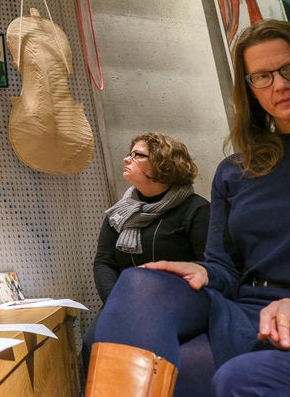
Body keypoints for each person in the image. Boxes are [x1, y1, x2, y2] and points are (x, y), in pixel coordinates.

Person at [85, 19, 290, 396]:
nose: (279, 84)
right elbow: (225, 268)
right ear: (250, 91)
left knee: (199, 376)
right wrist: (202, 269)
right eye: (262, 77)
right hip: (244, 309)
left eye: (289, 69)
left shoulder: (191, 207)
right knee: (141, 283)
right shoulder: (237, 170)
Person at [82, 133, 209, 378]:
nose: (126, 159)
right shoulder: (119, 213)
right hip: (124, 302)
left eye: (137, 155)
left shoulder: (197, 210)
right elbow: (104, 263)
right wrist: (117, 304)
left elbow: (207, 266)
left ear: (164, 164)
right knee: (93, 342)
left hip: (177, 305)